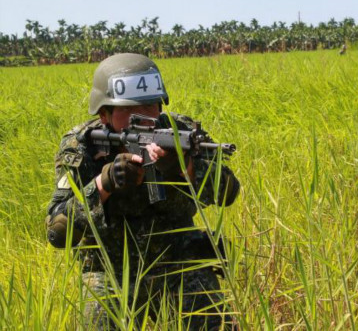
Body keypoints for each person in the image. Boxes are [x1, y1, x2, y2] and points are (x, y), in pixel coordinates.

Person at [45, 53, 240, 330]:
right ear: (104, 114)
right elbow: (57, 232)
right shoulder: (82, 146)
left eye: (151, 106)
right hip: (110, 271)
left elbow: (228, 192)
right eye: (130, 110)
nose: (146, 118)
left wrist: (184, 168)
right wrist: (105, 183)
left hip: (179, 263)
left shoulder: (179, 131)